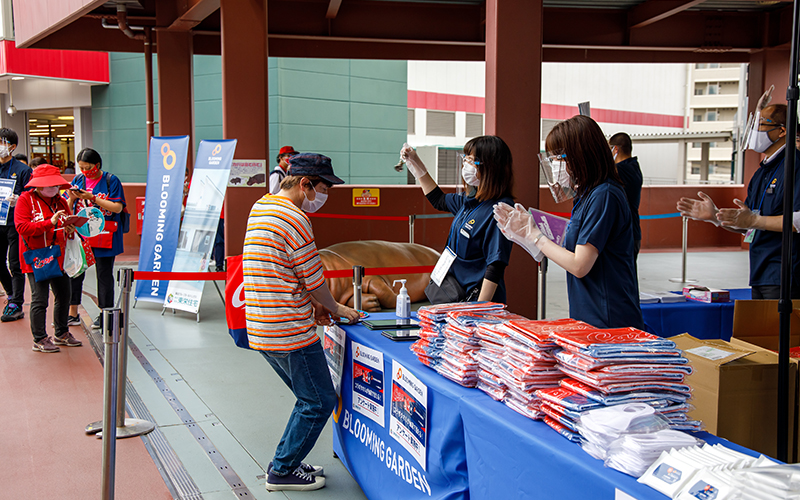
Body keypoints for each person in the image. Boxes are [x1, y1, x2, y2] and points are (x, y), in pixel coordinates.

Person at [243, 152, 359, 492]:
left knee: (306, 397)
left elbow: (281, 271)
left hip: (262, 325)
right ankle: (282, 470)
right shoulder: (295, 218)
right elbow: (313, 279)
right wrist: (337, 308)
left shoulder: (261, 206)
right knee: (319, 400)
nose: (324, 197)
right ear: (305, 184)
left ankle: (290, 459)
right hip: (289, 330)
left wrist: (315, 305)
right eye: (323, 188)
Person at [494, 115, 643, 329]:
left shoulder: (605, 195)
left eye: (558, 157)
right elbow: (568, 248)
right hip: (587, 314)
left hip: (610, 319)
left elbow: (580, 264)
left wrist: (535, 235)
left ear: (580, 155)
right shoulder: (586, 195)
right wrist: (525, 233)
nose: (554, 165)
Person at [678, 103, 800, 299]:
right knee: (762, 329)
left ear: (782, 131)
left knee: (781, 329)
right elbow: (749, 224)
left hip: (785, 274)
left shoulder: (794, 166)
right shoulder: (762, 173)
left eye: (761, 124)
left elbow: (797, 221)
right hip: (760, 273)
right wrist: (716, 217)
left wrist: (753, 221)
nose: (754, 131)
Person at [400, 136, 515, 303]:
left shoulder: (500, 209)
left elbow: (495, 265)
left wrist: (479, 308)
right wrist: (416, 164)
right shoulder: (470, 200)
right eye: (465, 158)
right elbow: (438, 200)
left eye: (471, 160)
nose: (465, 164)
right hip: (454, 294)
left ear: (491, 167)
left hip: (476, 301)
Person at [15, 165, 82, 352]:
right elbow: (22, 227)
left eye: (55, 184)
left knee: (64, 295)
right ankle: (40, 338)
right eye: (49, 185)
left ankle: (61, 332)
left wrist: (70, 226)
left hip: (58, 255)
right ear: (38, 186)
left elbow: (67, 221)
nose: (53, 188)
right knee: (40, 298)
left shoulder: (60, 201)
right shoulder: (25, 200)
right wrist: (49, 223)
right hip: (37, 257)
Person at [67, 148, 127, 328]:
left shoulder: (111, 180)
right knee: (76, 271)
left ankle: (105, 313)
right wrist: (71, 198)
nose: (85, 171)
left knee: (104, 274)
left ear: (97, 165)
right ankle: (72, 312)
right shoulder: (78, 180)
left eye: (88, 167)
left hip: (104, 234)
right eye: (81, 168)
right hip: (82, 233)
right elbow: (70, 205)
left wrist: (92, 198)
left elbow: (117, 208)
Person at [0, 128, 32, 322]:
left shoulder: (23, 170)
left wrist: (18, 199)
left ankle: (17, 303)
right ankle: (11, 293)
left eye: (2, 142)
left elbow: (31, 196)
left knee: (15, 263)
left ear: (11, 146)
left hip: (15, 223)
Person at [609, 132, 643, 261]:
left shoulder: (622, 170)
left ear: (615, 149)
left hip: (626, 233)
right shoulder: (633, 167)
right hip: (632, 231)